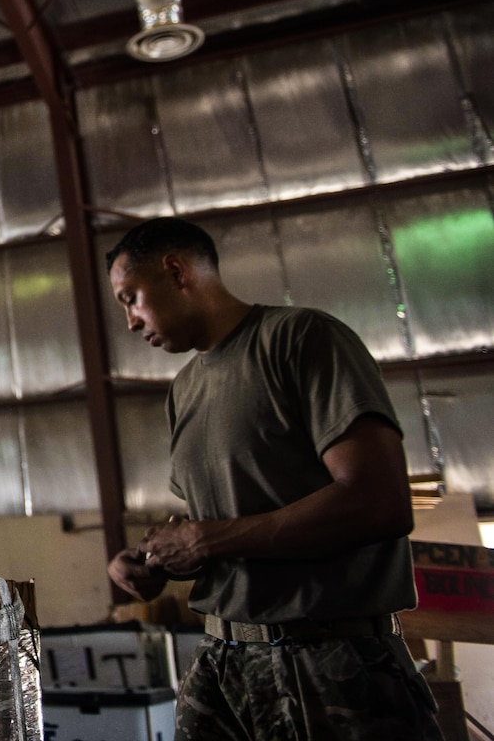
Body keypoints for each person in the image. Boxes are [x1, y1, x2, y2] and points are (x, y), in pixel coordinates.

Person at [104, 217, 440, 740]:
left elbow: (380, 501)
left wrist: (206, 539)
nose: (129, 320)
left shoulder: (302, 340)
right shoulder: (186, 389)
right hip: (222, 657)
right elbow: (221, 520)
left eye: (130, 297)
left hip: (330, 662)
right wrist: (158, 560)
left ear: (175, 270)